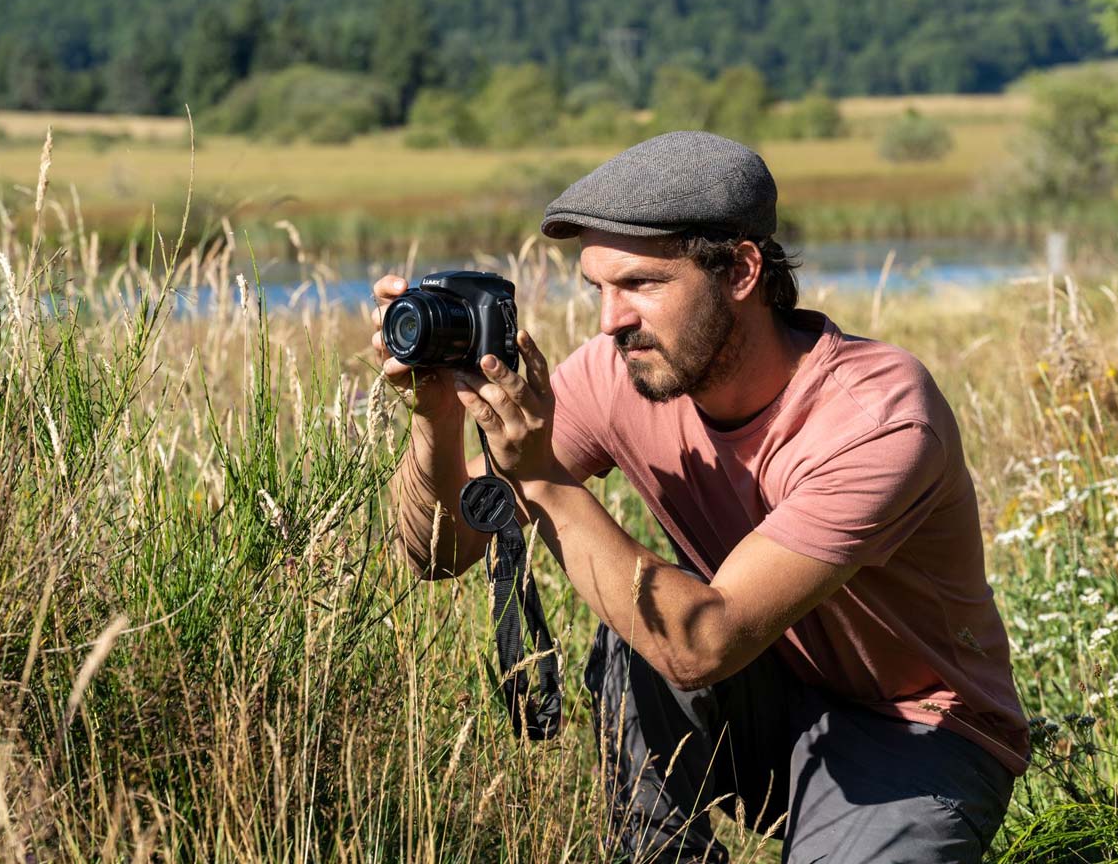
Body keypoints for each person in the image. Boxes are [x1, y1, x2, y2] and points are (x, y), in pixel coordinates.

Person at [372, 131, 1028, 863]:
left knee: (664, 618)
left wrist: (545, 482)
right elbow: (441, 552)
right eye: (598, 288)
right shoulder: (616, 373)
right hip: (769, 695)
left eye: (641, 285)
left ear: (742, 271)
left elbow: (700, 644)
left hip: (914, 729)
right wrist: (436, 415)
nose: (608, 321)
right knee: (634, 626)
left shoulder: (875, 419)